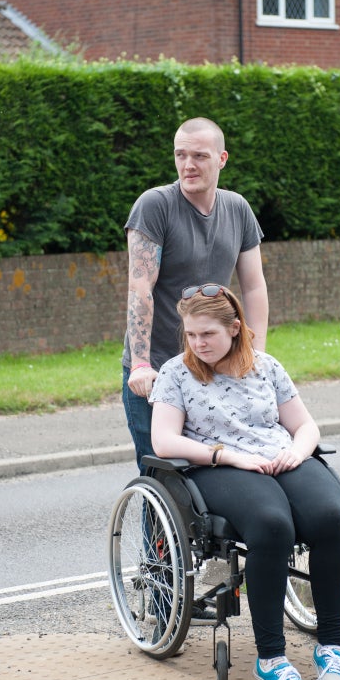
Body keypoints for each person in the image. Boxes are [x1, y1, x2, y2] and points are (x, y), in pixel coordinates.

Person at [149, 284, 340, 680]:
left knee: (331, 516)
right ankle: (271, 659)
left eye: (208, 334)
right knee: (271, 525)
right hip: (218, 466)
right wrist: (227, 455)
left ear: (235, 328)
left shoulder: (265, 366)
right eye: (191, 334)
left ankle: (332, 648)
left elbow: (305, 426)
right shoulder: (176, 373)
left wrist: (298, 452)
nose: (198, 343)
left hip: (281, 456)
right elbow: (164, 440)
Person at [122, 117, 268, 471]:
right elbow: (140, 288)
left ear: (222, 159)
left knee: (219, 469)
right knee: (165, 474)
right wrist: (140, 364)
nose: (188, 165)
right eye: (180, 155)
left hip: (215, 366)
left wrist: (257, 354)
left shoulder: (237, 208)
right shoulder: (155, 205)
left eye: (199, 156)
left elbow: (254, 286)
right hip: (158, 371)